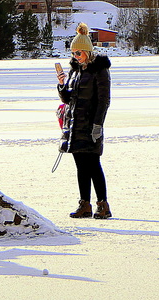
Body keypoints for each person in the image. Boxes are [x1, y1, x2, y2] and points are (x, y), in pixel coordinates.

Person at [57, 22, 112, 219]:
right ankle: (84, 204)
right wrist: (62, 85)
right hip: (75, 126)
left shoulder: (100, 70)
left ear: (88, 52)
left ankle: (103, 205)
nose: (75, 57)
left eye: (79, 53)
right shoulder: (75, 71)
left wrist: (98, 125)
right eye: (73, 53)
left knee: (93, 165)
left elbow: (104, 100)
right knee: (81, 166)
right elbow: (68, 99)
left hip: (90, 125)